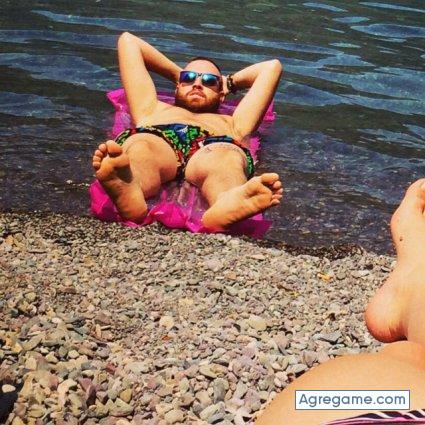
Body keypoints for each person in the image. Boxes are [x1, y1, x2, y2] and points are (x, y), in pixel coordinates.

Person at [256, 179, 425, 425]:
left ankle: (414, 278)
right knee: (406, 358)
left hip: (370, 406)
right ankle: (415, 280)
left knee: (404, 356)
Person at [92, 32, 283, 230]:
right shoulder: (151, 108)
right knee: (141, 148)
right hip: (158, 137)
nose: (197, 84)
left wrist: (229, 83)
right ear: (177, 87)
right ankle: (131, 189)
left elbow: (271, 67)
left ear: (221, 94)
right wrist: (178, 74)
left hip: (215, 145)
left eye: (209, 81)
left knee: (227, 160)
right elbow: (128, 42)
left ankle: (226, 203)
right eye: (189, 78)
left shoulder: (235, 122)